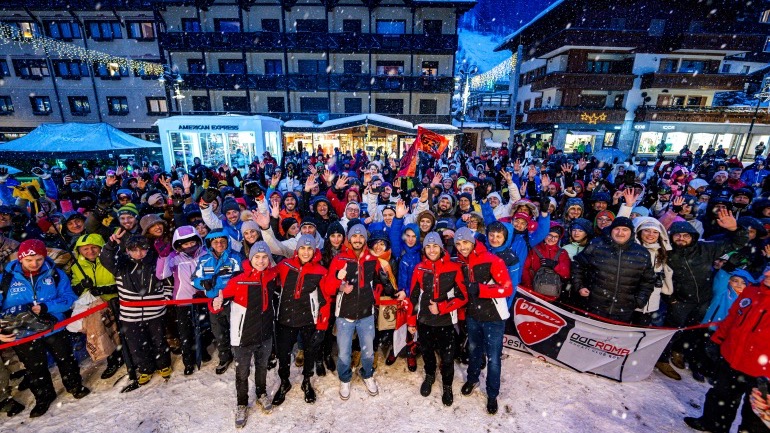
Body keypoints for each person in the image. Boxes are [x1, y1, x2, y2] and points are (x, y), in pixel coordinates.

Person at [0, 239, 87, 417]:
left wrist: (46, 307)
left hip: (54, 326)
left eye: (39, 259)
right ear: (20, 258)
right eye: (29, 260)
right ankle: (44, 397)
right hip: (23, 332)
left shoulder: (55, 273)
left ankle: (74, 386)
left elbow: (69, 297)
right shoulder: (5, 279)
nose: (34, 264)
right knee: (34, 368)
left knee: (66, 359)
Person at [657, 210, 748, 380]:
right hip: (680, 300)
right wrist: (670, 299)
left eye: (686, 235)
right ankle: (662, 358)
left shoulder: (706, 248)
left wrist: (736, 229)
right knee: (671, 331)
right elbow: (659, 277)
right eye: (677, 235)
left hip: (703, 300)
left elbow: (737, 243)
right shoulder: (666, 253)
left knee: (692, 329)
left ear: (693, 236)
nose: (681, 238)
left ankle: (678, 351)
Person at [684, 266, 770, 433]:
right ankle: (712, 424)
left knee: (756, 417)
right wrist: (717, 340)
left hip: (761, 373)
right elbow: (732, 317)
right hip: (731, 358)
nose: (766, 273)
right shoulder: (752, 291)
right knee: (720, 397)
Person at [322, 223, 398, 401]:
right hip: (344, 315)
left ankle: (367, 374)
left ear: (365, 239)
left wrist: (389, 287)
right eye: (354, 236)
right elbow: (327, 288)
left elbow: (385, 284)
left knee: (368, 351)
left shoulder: (372, 259)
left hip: (366, 315)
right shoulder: (339, 259)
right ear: (349, 239)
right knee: (344, 352)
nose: (357, 239)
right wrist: (339, 283)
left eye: (361, 236)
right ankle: (345, 378)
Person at [212, 241, 277, 427]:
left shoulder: (271, 275)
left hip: (265, 334)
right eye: (257, 257)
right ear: (250, 257)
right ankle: (242, 403)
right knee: (242, 372)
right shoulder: (239, 280)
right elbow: (220, 300)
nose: (261, 261)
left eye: (264, 257)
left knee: (262, 367)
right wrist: (216, 303)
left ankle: (261, 393)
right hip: (242, 337)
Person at [101, 231, 173, 388]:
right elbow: (106, 259)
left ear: (148, 249)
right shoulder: (120, 265)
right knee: (137, 345)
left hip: (155, 313)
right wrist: (110, 245)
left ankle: (163, 364)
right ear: (127, 250)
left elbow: (168, 280)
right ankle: (145, 369)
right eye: (134, 250)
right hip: (130, 316)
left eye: (142, 249)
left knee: (159, 341)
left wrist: (166, 298)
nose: (139, 253)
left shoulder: (156, 261)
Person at [454, 227, 513, 415]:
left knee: (493, 359)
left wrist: (481, 289)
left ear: (472, 242)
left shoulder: (493, 260)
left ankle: (492, 394)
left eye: (465, 242)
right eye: (458, 243)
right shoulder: (460, 262)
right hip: (473, 315)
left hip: (493, 317)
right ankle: (472, 380)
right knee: (473, 352)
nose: (462, 247)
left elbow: (507, 288)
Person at [408, 232, 467, 406]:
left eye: (435, 246)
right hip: (424, 321)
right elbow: (414, 296)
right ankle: (430, 375)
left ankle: (447, 385)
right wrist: (411, 321)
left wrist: (442, 307)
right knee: (427, 352)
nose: (432, 250)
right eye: (428, 246)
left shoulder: (453, 268)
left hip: (445, 321)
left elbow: (463, 296)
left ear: (441, 248)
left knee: (447, 358)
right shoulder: (419, 268)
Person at [271, 234, 330, 406]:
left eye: (309, 248)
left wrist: (321, 327)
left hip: (308, 320)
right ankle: (284, 382)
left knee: (310, 352)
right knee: (283, 354)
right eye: (302, 248)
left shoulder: (321, 271)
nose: (305, 252)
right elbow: (267, 276)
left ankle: (306, 381)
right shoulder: (285, 265)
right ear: (297, 249)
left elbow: (325, 301)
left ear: (314, 250)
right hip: (285, 319)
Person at [572, 217, 656, 323]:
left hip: (624, 310)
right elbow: (578, 265)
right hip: (594, 305)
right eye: (617, 229)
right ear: (611, 230)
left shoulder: (642, 253)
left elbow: (648, 281)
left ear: (631, 232)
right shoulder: (596, 245)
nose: (620, 233)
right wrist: (579, 286)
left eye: (625, 230)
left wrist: (639, 300)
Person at [70, 233, 124, 380]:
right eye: (85, 249)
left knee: (121, 331)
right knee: (104, 333)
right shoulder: (76, 267)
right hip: (96, 307)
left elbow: (122, 281)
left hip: (116, 301)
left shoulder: (110, 260)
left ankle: (128, 355)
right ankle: (113, 360)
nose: (90, 251)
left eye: (94, 247)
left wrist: (104, 290)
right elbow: (74, 288)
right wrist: (82, 286)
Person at [193, 229, 244, 375]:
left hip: (233, 301)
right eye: (215, 242)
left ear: (227, 242)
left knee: (237, 330)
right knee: (219, 331)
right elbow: (194, 279)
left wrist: (229, 286)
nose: (219, 244)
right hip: (214, 302)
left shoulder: (235, 257)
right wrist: (203, 283)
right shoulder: (204, 259)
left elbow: (241, 277)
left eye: (222, 241)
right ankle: (224, 357)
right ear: (210, 243)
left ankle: (241, 356)